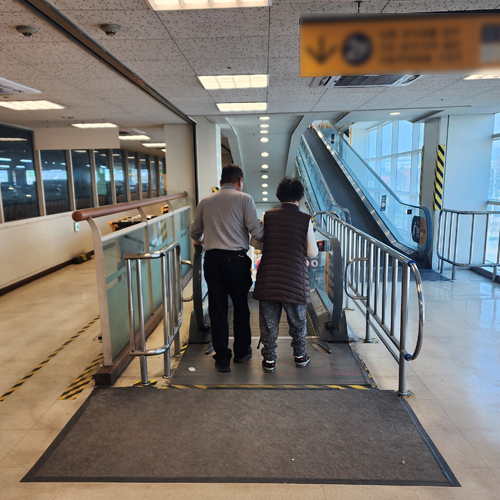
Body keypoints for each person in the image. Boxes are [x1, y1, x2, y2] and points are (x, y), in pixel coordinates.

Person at [190, 164, 264, 373]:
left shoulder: (205, 201)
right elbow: (257, 232)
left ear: (221, 181)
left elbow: (195, 231)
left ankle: (222, 358)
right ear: (240, 181)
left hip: (212, 259)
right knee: (240, 306)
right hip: (237, 260)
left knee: (217, 309)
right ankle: (241, 352)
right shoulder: (245, 199)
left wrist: (202, 239)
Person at [252, 177, 318, 373]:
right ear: (299, 198)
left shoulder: (268, 216)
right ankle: (300, 356)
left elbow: (255, 243)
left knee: (268, 322)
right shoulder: (305, 219)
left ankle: (269, 360)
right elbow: (312, 252)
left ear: (279, 197)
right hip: (295, 279)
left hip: (269, 278)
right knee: (298, 321)